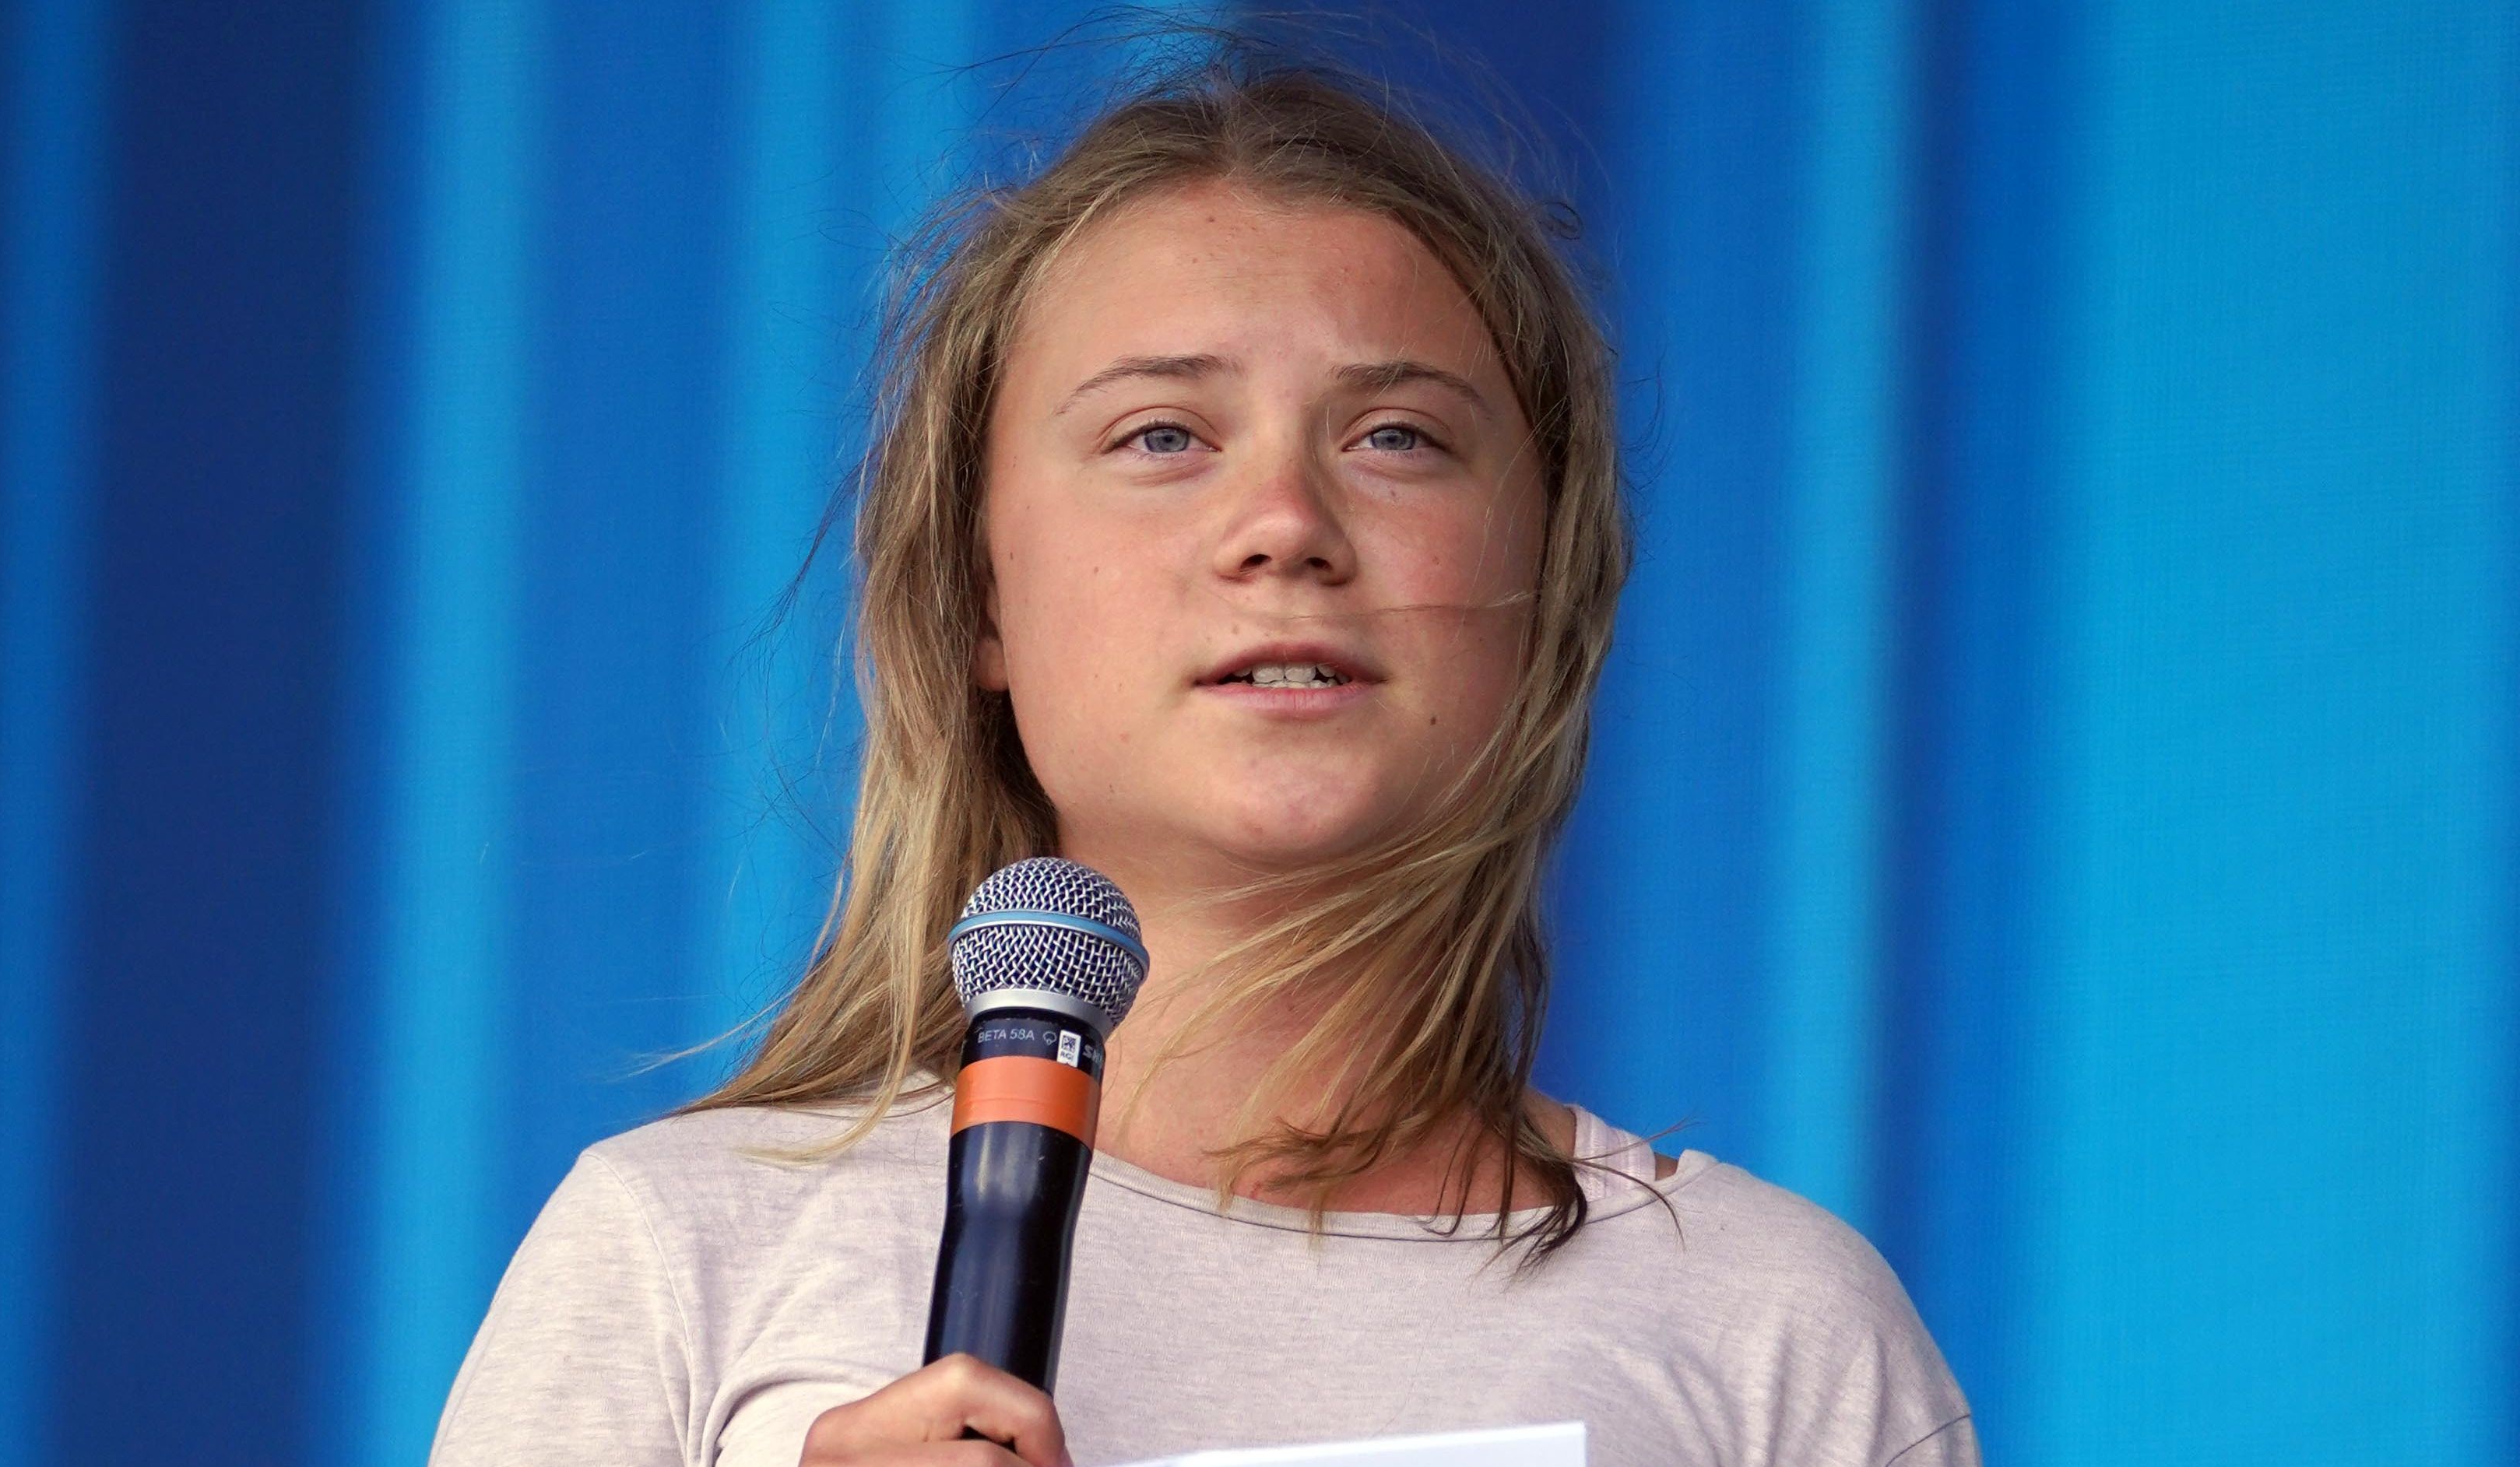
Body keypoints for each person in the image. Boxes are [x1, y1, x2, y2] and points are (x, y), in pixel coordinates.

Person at [429, 49, 1978, 1467]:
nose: (1282, 528)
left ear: (1549, 589)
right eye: (1162, 434)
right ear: (977, 594)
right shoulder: (678, 1252)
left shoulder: (1778, 1333)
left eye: (1396, 439)